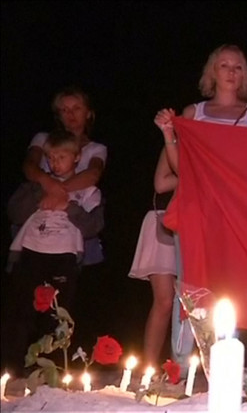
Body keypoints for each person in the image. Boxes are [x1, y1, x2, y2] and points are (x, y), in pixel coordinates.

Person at [154, 44, 247, 374]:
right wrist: (168, 134)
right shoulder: (193, 113)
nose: (231, 72)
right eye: (224, 66)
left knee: (235, 287)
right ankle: (180, 367)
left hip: (237, 215)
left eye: (238, 67)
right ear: (212, 72)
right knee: (191, 286)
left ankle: (226, 365)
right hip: (196, 211)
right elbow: (182, 169)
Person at [4, 130, 103, 374]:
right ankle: (12, 370)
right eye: (51, 157)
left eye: (62, 157)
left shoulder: (88, 191)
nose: (55, 163)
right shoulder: (37, 184)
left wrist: (68, 206)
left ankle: (55, 372)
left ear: (77, 158)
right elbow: (14, 212)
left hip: (64, 259)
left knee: (59, 316)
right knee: (21, 313)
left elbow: (94, 226)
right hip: (29, 253)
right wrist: (41, 192)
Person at [21, 85, 107, 266]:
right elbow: (29, 166)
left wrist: (58, 192)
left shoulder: (96, 148)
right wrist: (48, 183)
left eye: (77, 108)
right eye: (64, 110)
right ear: (58, 115)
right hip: (39, 221)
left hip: (73, 223)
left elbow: (93, 174)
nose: (71, 114)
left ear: (88, 113)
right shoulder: (43, 138)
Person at [127, 147, 177, 368]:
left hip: (201, 221)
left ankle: (187, 367)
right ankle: (149, 369)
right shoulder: (174, 141)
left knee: (195, 302)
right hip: (164, 219)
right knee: (164, 300)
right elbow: (161, 183)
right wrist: (198, 171)